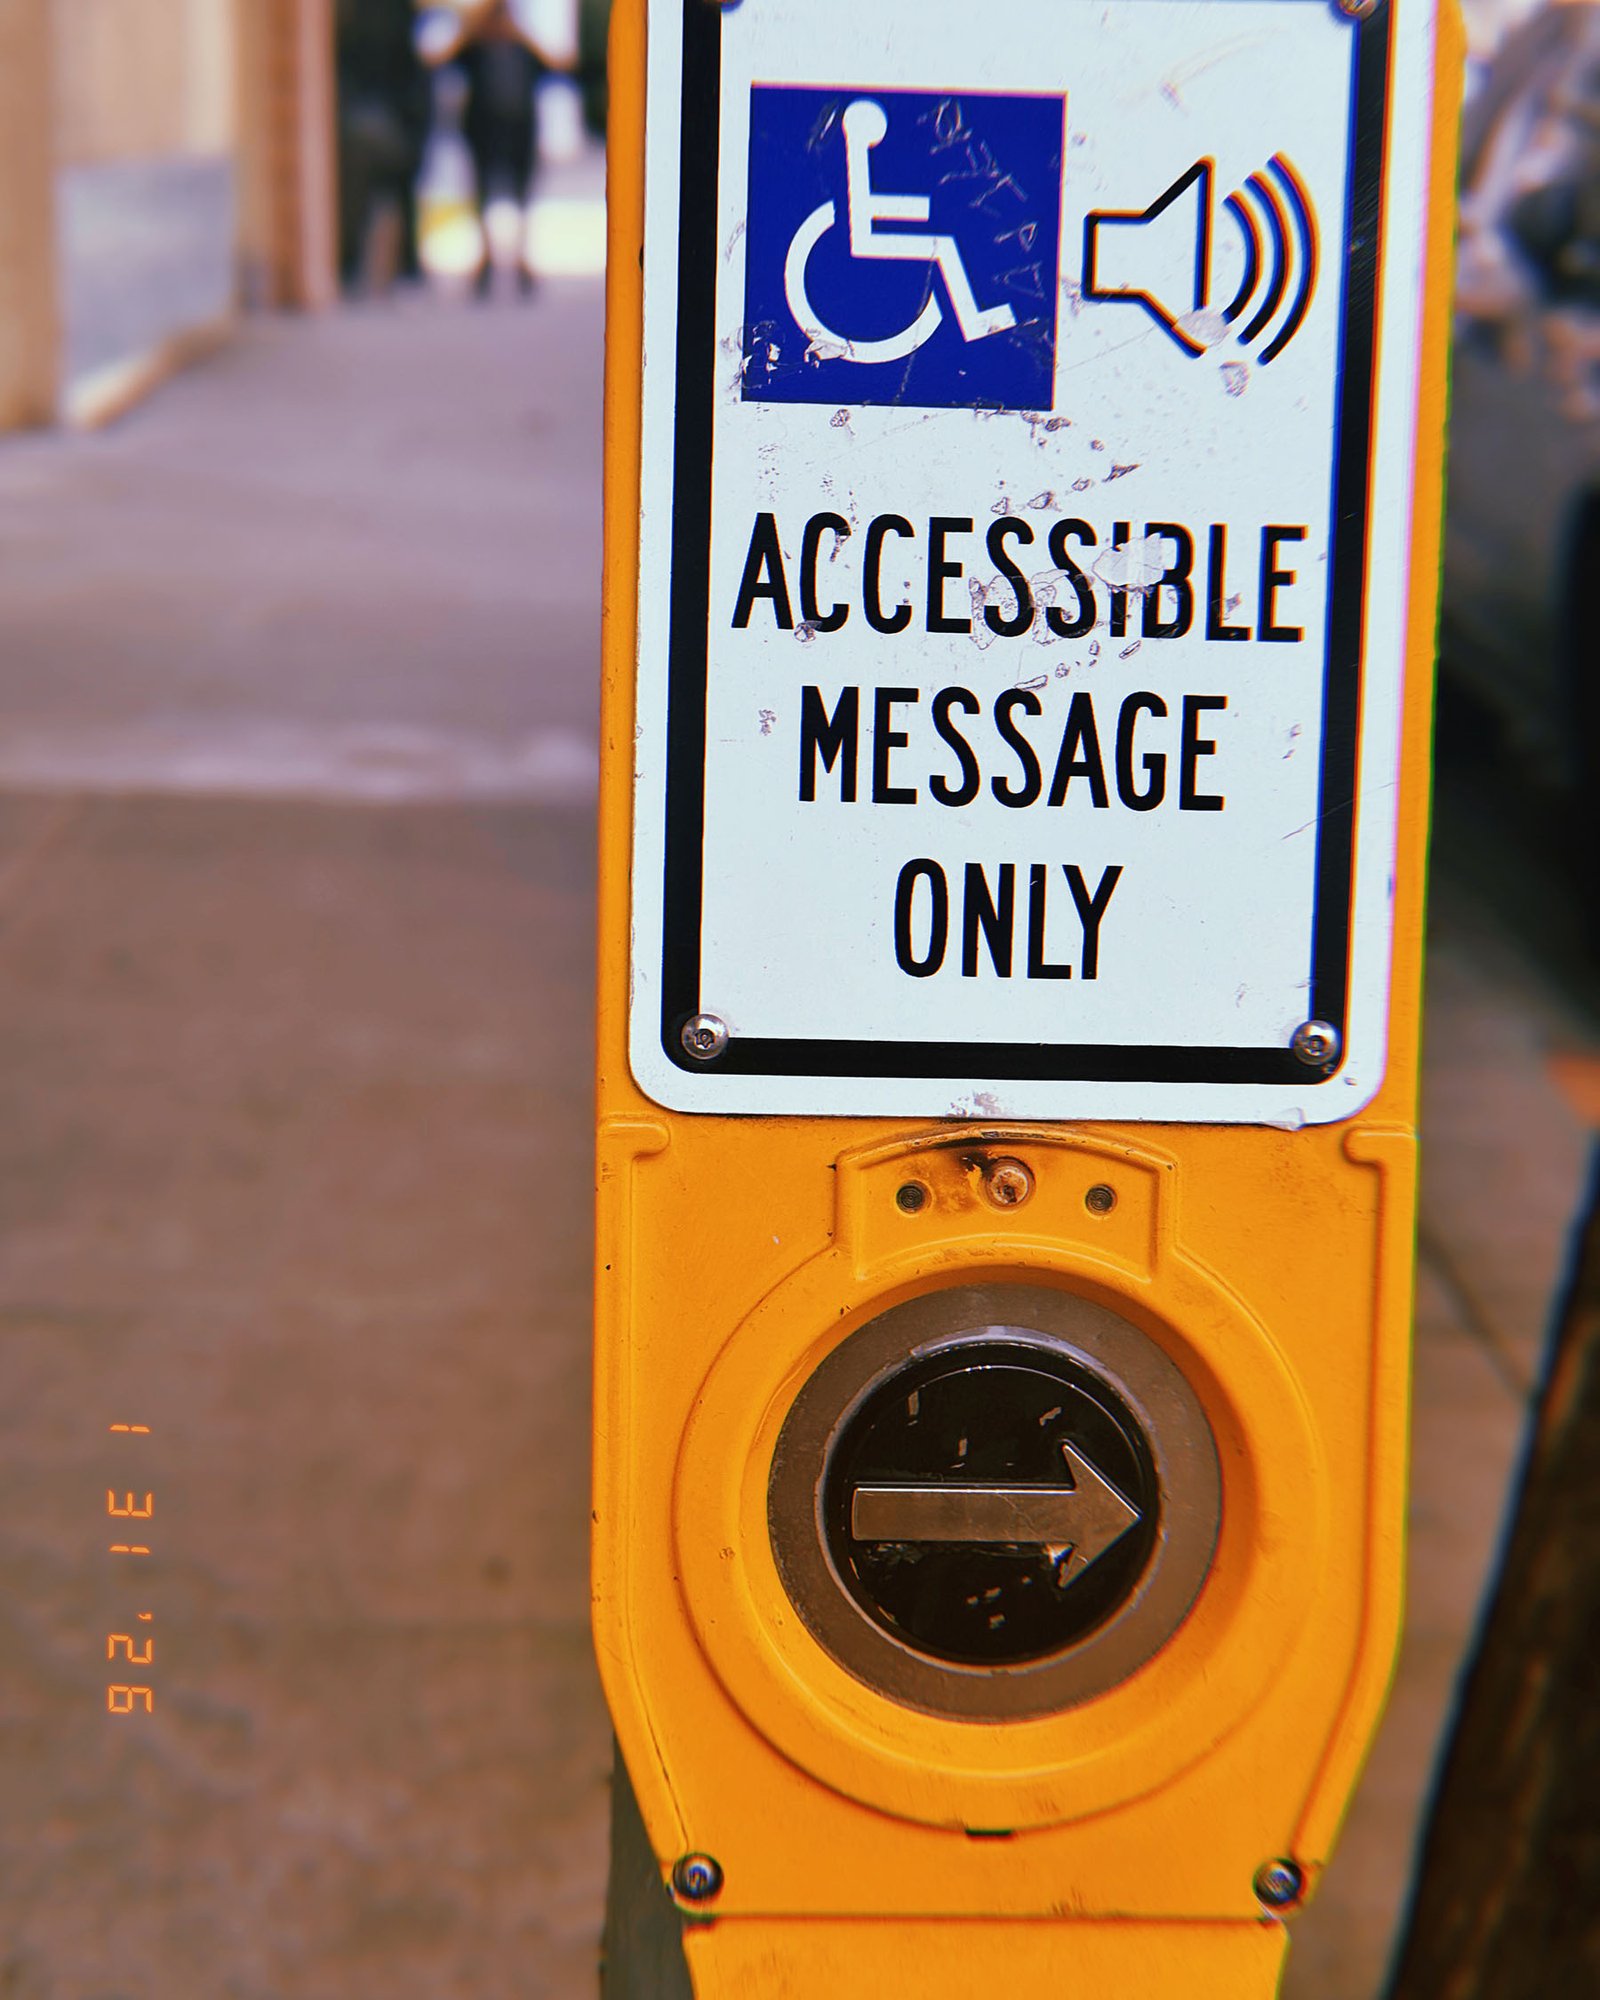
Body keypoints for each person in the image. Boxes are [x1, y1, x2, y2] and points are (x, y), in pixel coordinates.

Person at [429, 0, 563, 296]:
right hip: (487, 133)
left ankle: (518, 263)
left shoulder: (520, 50)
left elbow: (555, 70)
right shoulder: (476, 50)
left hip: (517, 133)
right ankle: (489, 264)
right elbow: (442, 63)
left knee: (520, 200)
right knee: (486, 200)